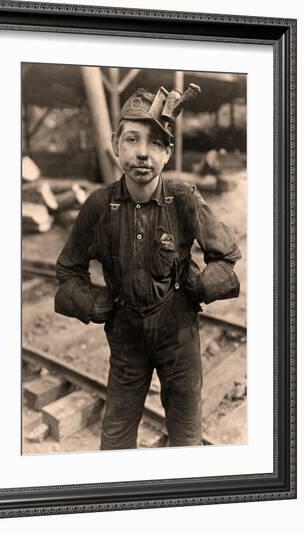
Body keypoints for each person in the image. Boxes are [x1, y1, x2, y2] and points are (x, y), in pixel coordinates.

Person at [54, 86, 241, 450]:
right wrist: (91, 302)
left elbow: (226, 256)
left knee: (186, 438)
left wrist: (205, 285)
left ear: (167, 152)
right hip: (126, 340)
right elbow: (67, 272)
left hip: (179, 337)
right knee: (116, 437)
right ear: (115, 144)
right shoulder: (98, 207)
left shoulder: (184, 199)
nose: (143, 152)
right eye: (132, 139)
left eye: (155, 143)